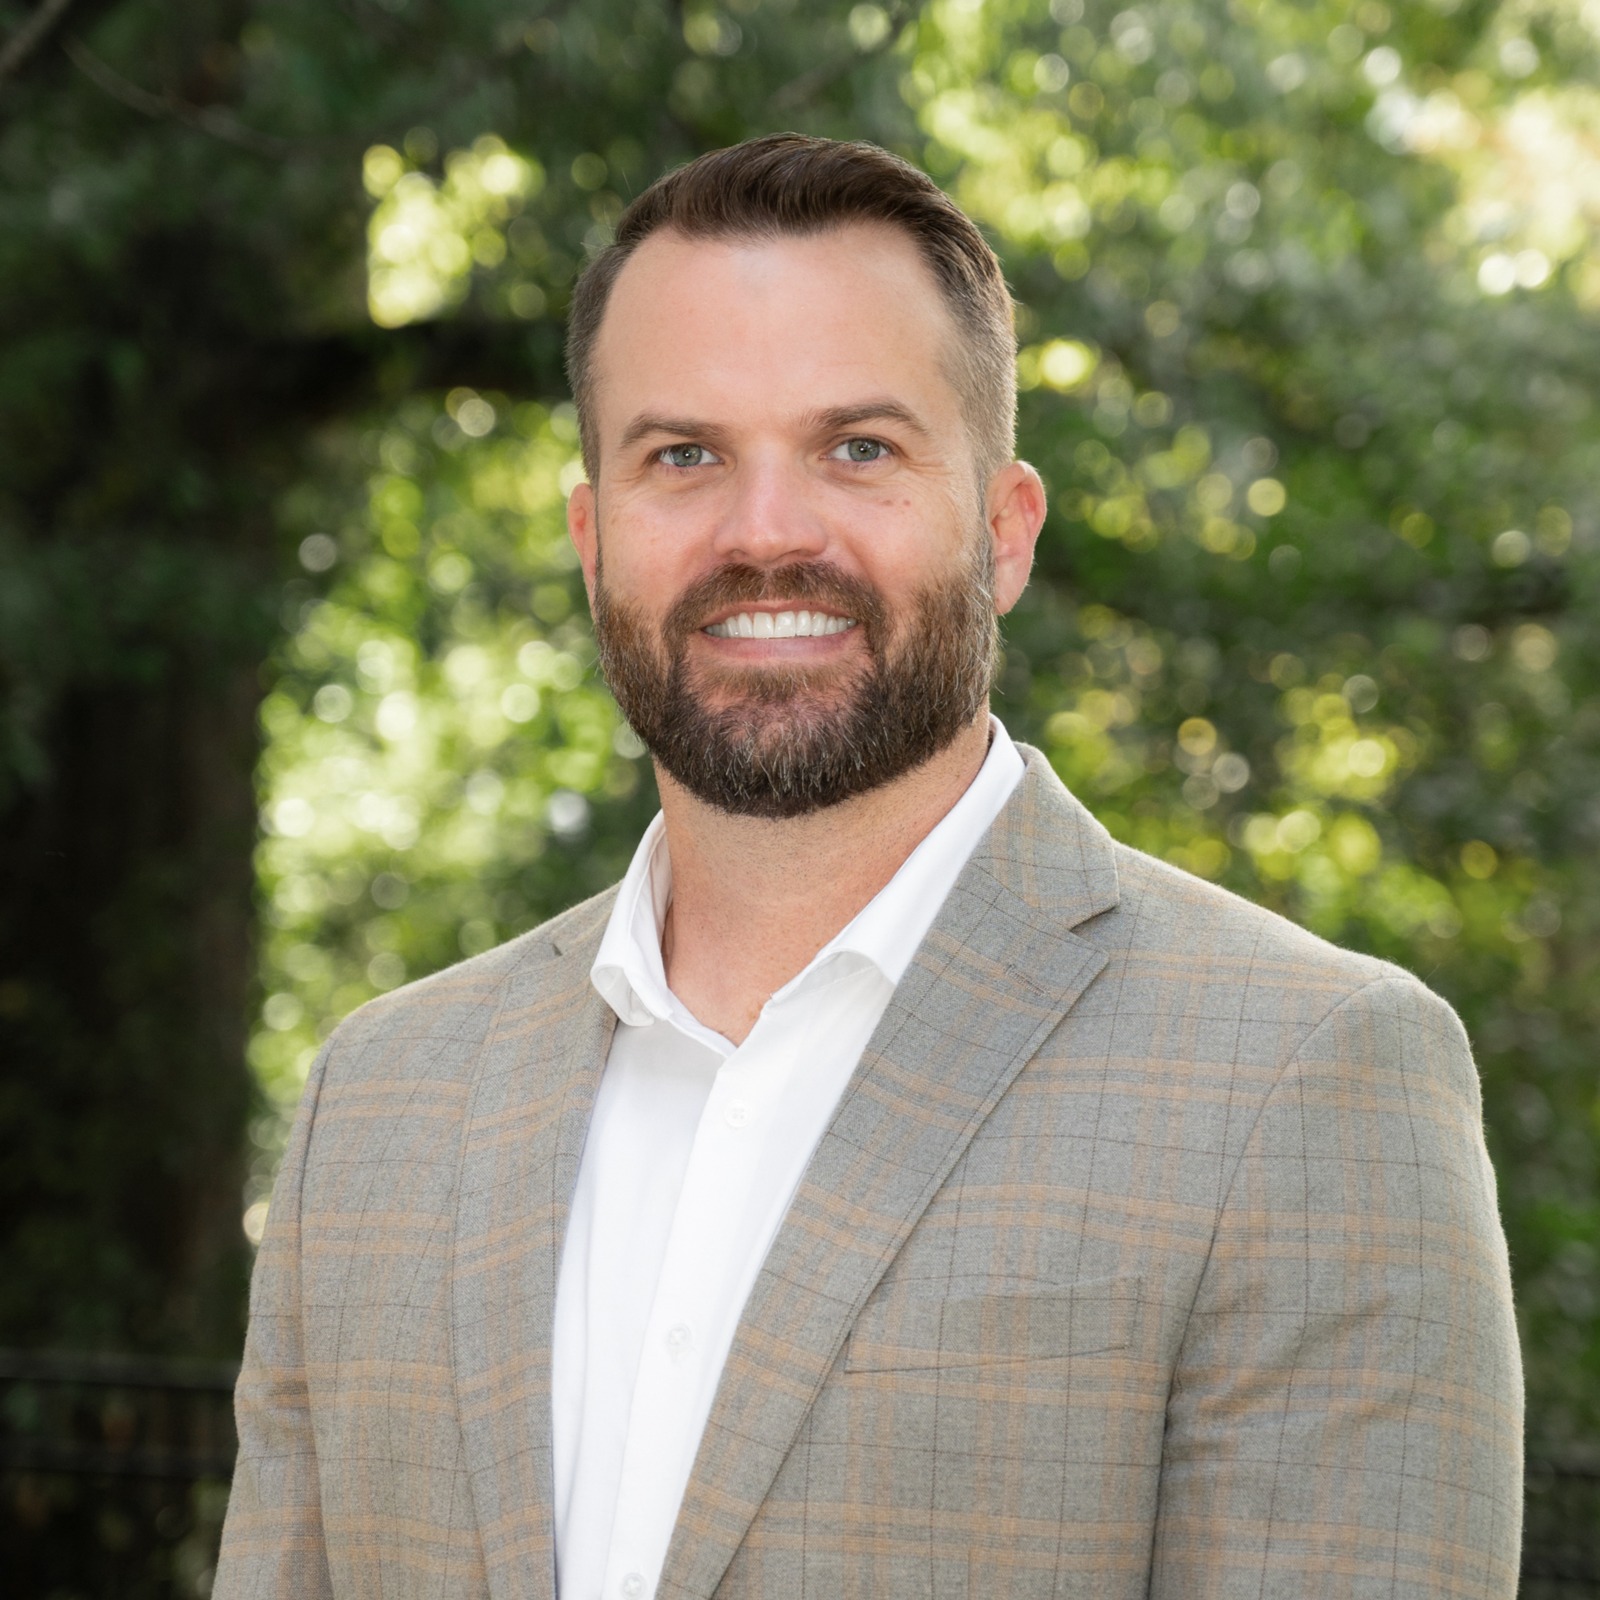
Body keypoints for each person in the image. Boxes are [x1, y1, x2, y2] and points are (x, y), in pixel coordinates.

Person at [215, 134, 1522, 1600]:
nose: (766, 532)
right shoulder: (382, 1105)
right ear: (593, 539)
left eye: (860, 449)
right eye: (684, 455)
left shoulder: (1308, 1077)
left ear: (1004, 529)